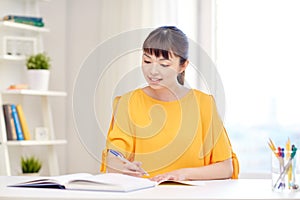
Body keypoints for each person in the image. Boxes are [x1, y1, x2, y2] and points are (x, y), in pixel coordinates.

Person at [101, 26, 239, 181]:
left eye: (164, 64)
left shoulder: (203, 104)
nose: (152, 71)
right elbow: (114, 157)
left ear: (183, 65)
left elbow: (226, 168)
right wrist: (118, 166)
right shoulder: (128, 103)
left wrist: (182, 174)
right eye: (147, 61)